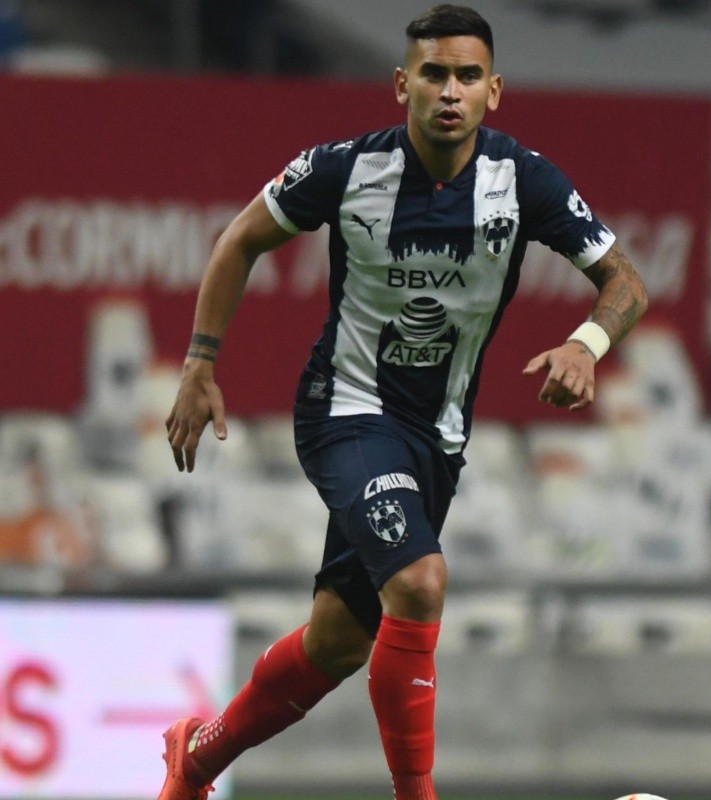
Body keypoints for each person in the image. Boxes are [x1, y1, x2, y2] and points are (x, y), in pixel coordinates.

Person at [158, 5, 649, 799]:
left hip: (438, 436)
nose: (448, 91)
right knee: (419, 582)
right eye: (432, 74)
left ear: (494, 91)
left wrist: (584, 345)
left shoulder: (524, 180)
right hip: (344, 410)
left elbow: (625, 281)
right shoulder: (345, 170)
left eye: (465, 77)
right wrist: (199, 361)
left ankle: (197, 759)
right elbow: (241, 238)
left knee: (337, 645)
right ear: (401, 85)